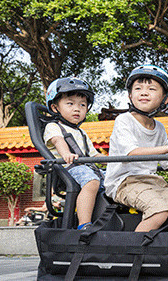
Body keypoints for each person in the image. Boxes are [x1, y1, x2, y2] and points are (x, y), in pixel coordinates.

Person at [103, 65, 168, 232]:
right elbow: (132, 152)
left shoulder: (159, 128)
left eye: (151, 89)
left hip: (152, 183)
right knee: (159, 209)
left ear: (166, 98)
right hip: (125, 183)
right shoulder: (124, 120)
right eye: (138, 88)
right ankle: (134, 251)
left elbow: (167, 164)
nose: (144, 92)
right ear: (130, 96)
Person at [44, 77, 105, 230]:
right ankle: (84, 224)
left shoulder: (82, 133)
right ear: (54, 107)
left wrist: (117, 161)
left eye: (82, 105)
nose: (77, 109)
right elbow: (58, 141)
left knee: (115, 179)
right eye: (70, 104)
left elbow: (94, 156)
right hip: (68, 168)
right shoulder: (53, 127)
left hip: (87, 168)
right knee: (91, 181)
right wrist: (66, 154)